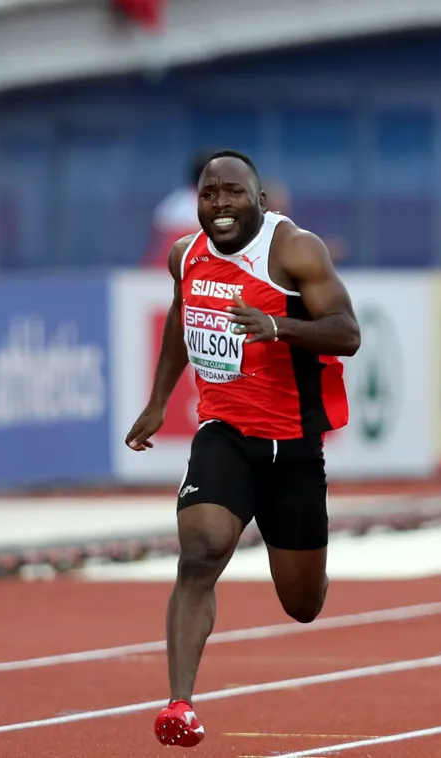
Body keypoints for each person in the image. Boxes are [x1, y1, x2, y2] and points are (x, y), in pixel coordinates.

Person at [125, 149, 360, 747]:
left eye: (233, 193)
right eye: (209, 194)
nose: (220, 204)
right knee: (200, 552)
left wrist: (280, 326)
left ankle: (311, 564)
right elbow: (183, 317)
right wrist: (157, 402)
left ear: (261, 201)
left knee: (302, 603)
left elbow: (347, 333)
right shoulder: (187, 255)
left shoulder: (294, 251)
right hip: (224, 432)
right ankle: (179, 703)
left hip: (293, 447)